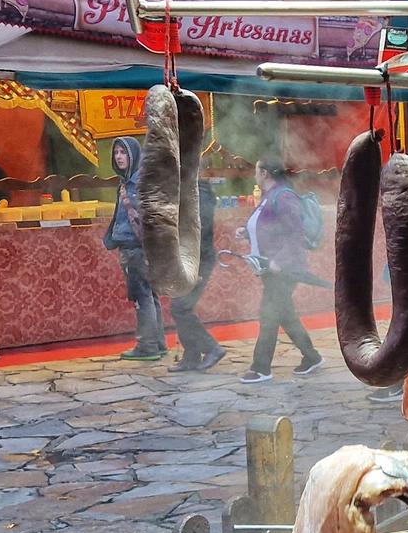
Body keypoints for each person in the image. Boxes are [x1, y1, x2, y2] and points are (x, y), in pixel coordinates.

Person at [239, 156, 324, 383]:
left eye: (257, 170)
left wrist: (280, 260)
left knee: (269, 315)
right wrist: (247, 232)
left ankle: (261, 368)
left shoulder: (284, 197)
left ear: (265, 173)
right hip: (271, 268)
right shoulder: (269, 197)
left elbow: (294, 233)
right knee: (285, 315)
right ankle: (312, 356)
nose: (254, 174)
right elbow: (269, 227)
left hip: (283, 270)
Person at [102, 134, 165, 361]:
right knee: (151, 295)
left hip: (136, 248)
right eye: (116, 153)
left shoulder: (137, 184)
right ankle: (157, 343)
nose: (119, 157)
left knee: (142, 297)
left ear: (133, 155)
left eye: (123, 153)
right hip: (141, 248)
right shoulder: (129, 182)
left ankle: (147, 346)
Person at [166, 170, 226, 373]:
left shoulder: (199, 195)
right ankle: (191, 356)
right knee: (181, 307)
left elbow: (197, 233)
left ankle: (212, 348)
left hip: (198, 260)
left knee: (180, 307)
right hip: (188, 259)